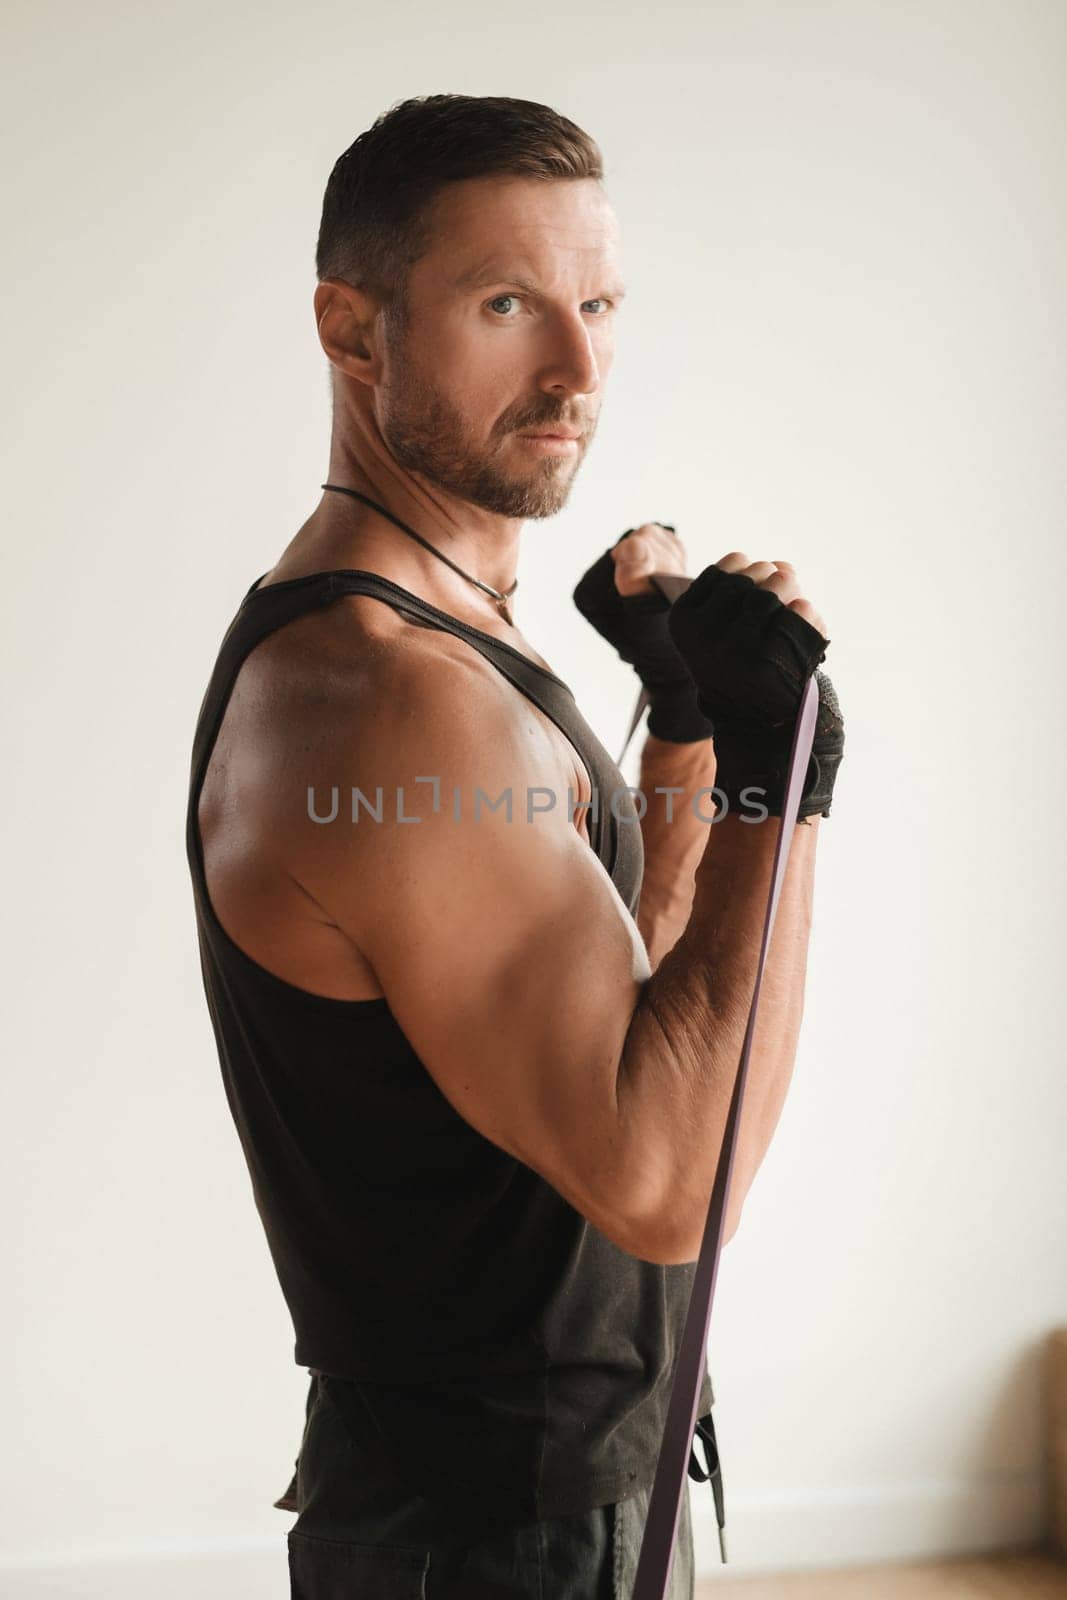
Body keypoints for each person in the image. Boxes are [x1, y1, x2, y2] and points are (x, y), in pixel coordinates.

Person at [184, 93, 844, 1599]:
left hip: (527, 1492)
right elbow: (674, 1179)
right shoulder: (396, 699)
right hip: (500, 1533)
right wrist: (784, 784)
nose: (581, 369)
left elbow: (632, 982)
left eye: (599, 304)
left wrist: (682, 727)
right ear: (352, 331)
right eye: (507, 305)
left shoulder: (442, 640)